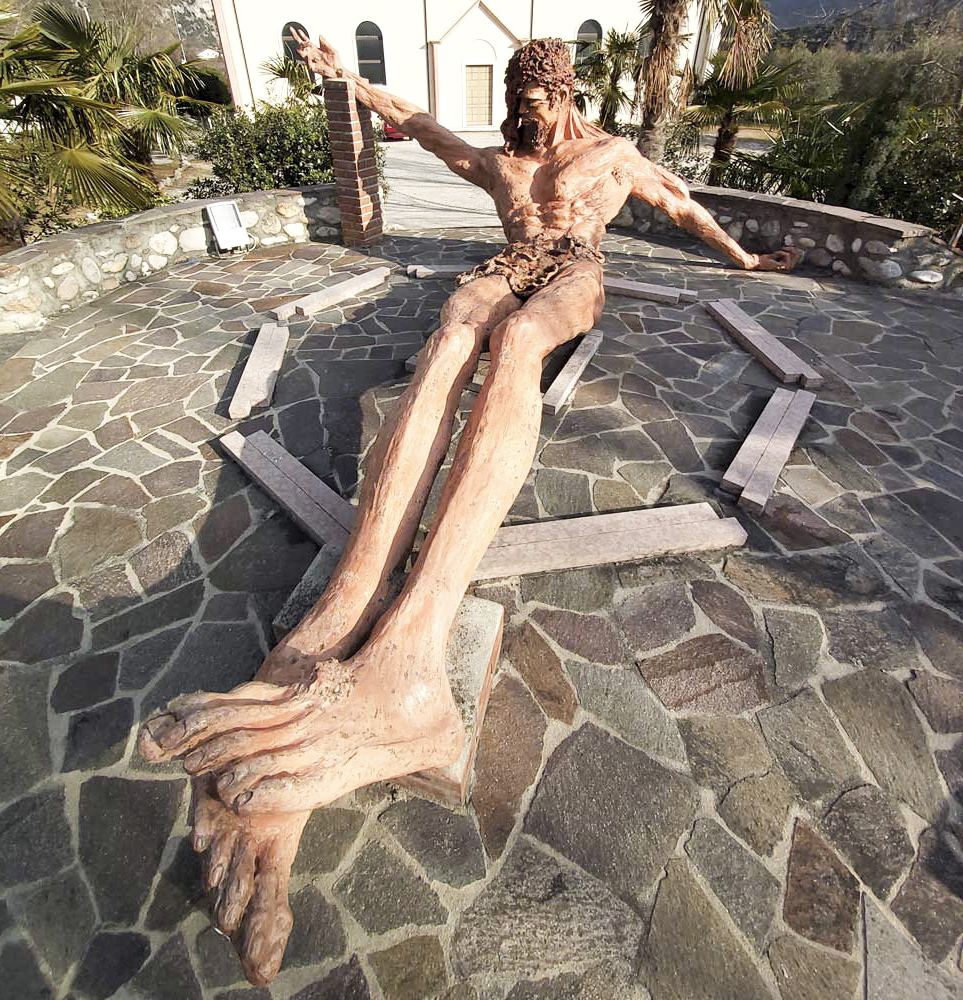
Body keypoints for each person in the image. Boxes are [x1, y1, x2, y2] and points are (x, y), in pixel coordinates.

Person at [138, 35, 800, 985]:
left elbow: (680, 203)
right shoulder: (501, 166)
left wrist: (741, 259)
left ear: (562, 94)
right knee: (454, 333)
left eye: (537, 96)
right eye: (519, 97)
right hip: (506, 260)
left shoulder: (609, 158)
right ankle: (334, 629)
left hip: (571, 275)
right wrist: (349, 80)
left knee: (521, 337)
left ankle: (409, 656)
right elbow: (416, 122)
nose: (524, 110)